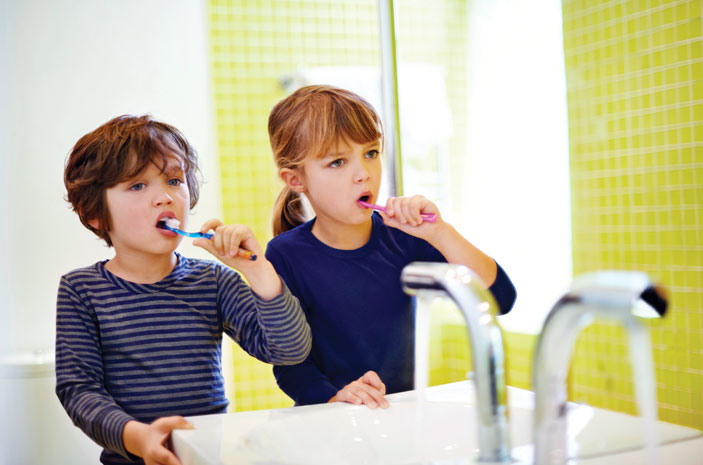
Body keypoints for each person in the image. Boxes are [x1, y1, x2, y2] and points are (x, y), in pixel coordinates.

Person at [57, 115, 311, 465]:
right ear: (94, 214)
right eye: (137, 186)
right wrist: (139, 438)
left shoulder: (214, 281)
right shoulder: (81, 290)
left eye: (174, 180)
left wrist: (258, 270)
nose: (164, 197)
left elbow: (289, 350)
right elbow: (79, 391)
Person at [265, 85, 516, 409]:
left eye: (371, 153)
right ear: (296, 180)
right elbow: (289, 363)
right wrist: (334, 396)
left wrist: (439, 232)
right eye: (338, 162)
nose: (363, 174)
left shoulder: (405, 237)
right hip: (328, 423)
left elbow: (499, 298)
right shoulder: (286, 255)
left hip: (402, 418)